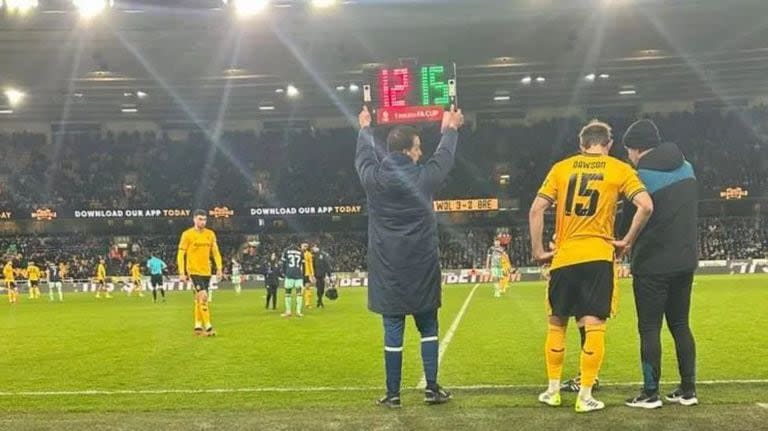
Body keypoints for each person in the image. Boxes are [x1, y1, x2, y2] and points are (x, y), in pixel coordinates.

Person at [529, 120, 654, 413]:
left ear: (581, 144)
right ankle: (585, 396)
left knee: (557, 323)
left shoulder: (561, 168)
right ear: (608, 145)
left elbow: (536, 209)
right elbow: (646, 205)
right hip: (598, 256)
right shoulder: (619, 169)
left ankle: (552, 391)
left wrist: (537, 250)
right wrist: (627, 240)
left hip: (565, 255)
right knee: (594, 326)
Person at [355, 105, 463, 408]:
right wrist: (450, 128)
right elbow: (445, 157)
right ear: (407, 150)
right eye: (417, 148)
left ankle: (393, 394)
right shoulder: (425, 178)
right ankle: (431, 388)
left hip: (387, 269)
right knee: (428, 327)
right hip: (422, 266)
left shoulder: (372, 179)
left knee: (393, 331)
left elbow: (364, 156)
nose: (420, 153)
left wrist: (365, 127)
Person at [621, 119, 699, 409]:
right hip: (685, 258)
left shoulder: (639, 176)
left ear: (637, 149)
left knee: (649, 327)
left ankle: (650, 392)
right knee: (680, 324)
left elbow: (630, 219)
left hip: (653, 262)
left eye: (628, 150)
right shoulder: (687, 167)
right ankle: (688, 390)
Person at [177, 209, 223, 337]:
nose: (203, 222)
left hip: (206, 271)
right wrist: (182, 272)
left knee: (198, 299)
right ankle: (208, 327)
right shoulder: (187, 235)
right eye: (200, 219)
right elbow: (181, 254)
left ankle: (197, 326)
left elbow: (215, 252)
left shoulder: (210, 234)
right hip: (193, 271)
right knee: (203, 296)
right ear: (194, 219)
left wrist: (219, 268)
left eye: (204, 219)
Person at [281, 244, 305, 317]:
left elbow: (283, 263)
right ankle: (298, 312)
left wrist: (284, 273)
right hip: (298, 275)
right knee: (299, 294)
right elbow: (303, 265)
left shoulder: (286, 250)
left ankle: (288, 312)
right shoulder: (301, 252)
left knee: (288, 293)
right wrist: (303, 275)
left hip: (289, 274)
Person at [312, 244, 333, 308]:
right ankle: (320, 301)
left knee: (322, 289)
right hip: (317, 275)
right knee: (319, 288)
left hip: (322, 274)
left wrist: (329, 274)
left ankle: (319, 300)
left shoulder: (323, 255)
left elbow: (327, 264)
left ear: (317, 247)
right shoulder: (313, 255)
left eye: (314, 247)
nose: (313, 249)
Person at [301, 243, 315, 310]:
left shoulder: (309, 254)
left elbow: (311, 264)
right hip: (299, 274)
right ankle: (299, 303)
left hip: (306, 273)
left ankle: (307, 303)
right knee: (299, 288)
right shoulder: (298, 253)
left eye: (306, 246)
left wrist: (312, 274)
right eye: (304, 246)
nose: (305, 247)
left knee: (307, 287)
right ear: (301, 246)